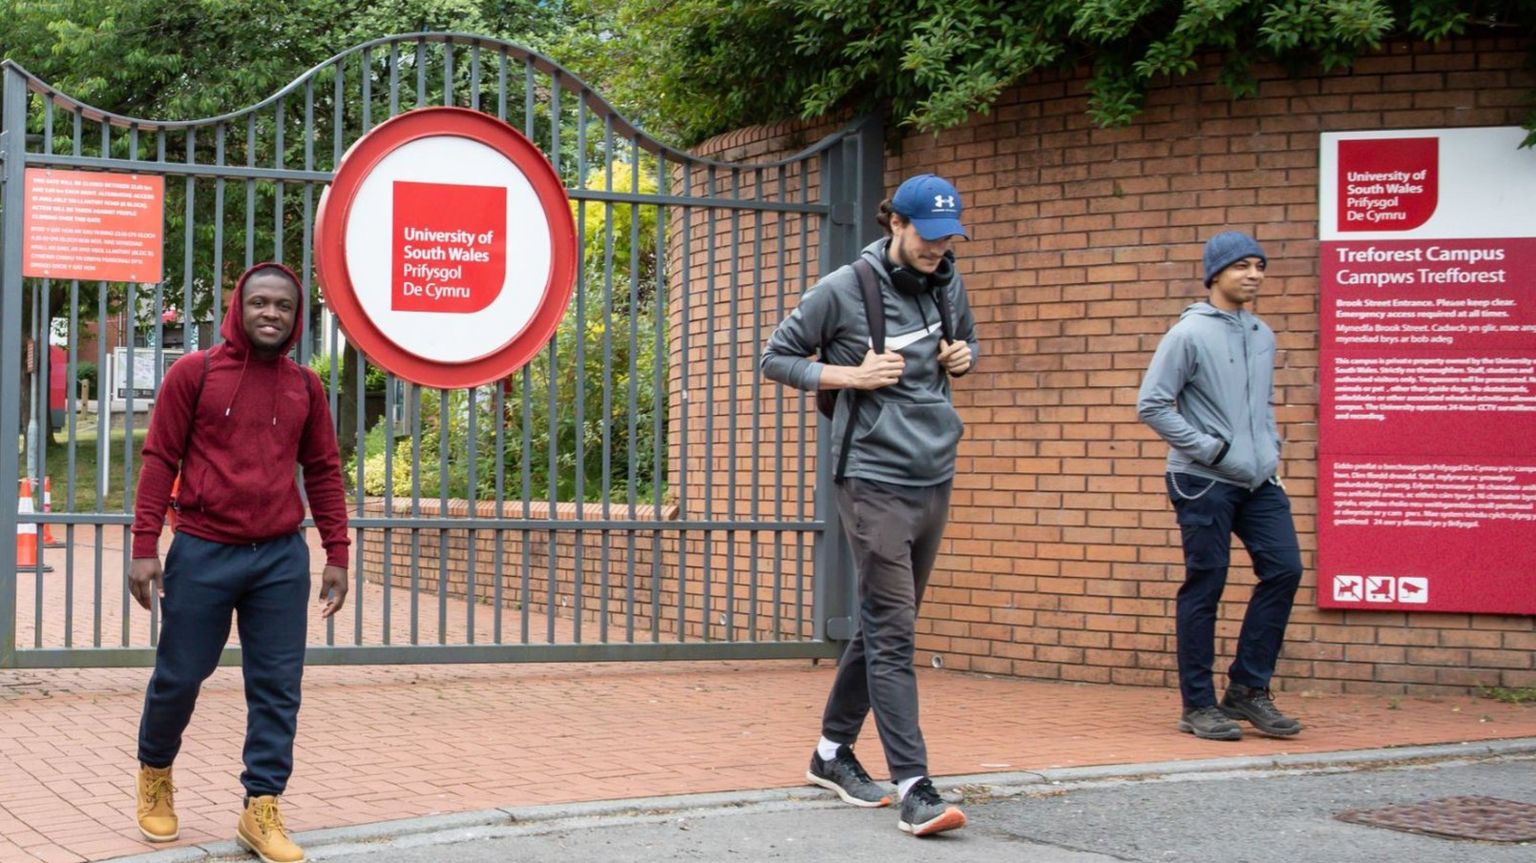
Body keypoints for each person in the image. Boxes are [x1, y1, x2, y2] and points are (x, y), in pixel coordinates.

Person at [761, 173, 979, 836]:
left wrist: (964, 356)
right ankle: (915, 785)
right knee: (895, 631)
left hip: (932, 475)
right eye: (929, 236)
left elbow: (963, 347)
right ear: (897, 224)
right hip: (873, 479)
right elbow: (776, 356)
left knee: (884, 621)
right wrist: (850, 375)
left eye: (949, 238)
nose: (939, 249)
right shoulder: (844, 290)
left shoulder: (948, 282)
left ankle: (831, 752)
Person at [129, 262, 350, 863]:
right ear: (239, 308)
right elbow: (158, 460)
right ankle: (155, 769)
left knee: (278, 687)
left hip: (280, 556)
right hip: (203, 550)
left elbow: (325, 470)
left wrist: (337, 551)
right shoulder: (193, 374)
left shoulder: (305, 386)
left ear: (295, 316)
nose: (271, 314)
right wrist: (144, 547)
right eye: (259, 303)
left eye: (282, 305)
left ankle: (261, 806)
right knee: (180, 676)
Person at [1136, 231, 1305, 742]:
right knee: (1205, 585)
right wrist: (1211, 449)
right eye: (1241, 266)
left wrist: (1268, 450)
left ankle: (1248, 690)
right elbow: (1153, 405)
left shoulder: (1262, 334)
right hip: (1201, 478)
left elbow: (1263, 405)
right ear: (1216, 274)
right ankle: (1198, 705)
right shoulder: (1188, 334)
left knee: (1285, 568)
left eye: (1259, 265)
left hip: (1257, 480)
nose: (1253, 274)